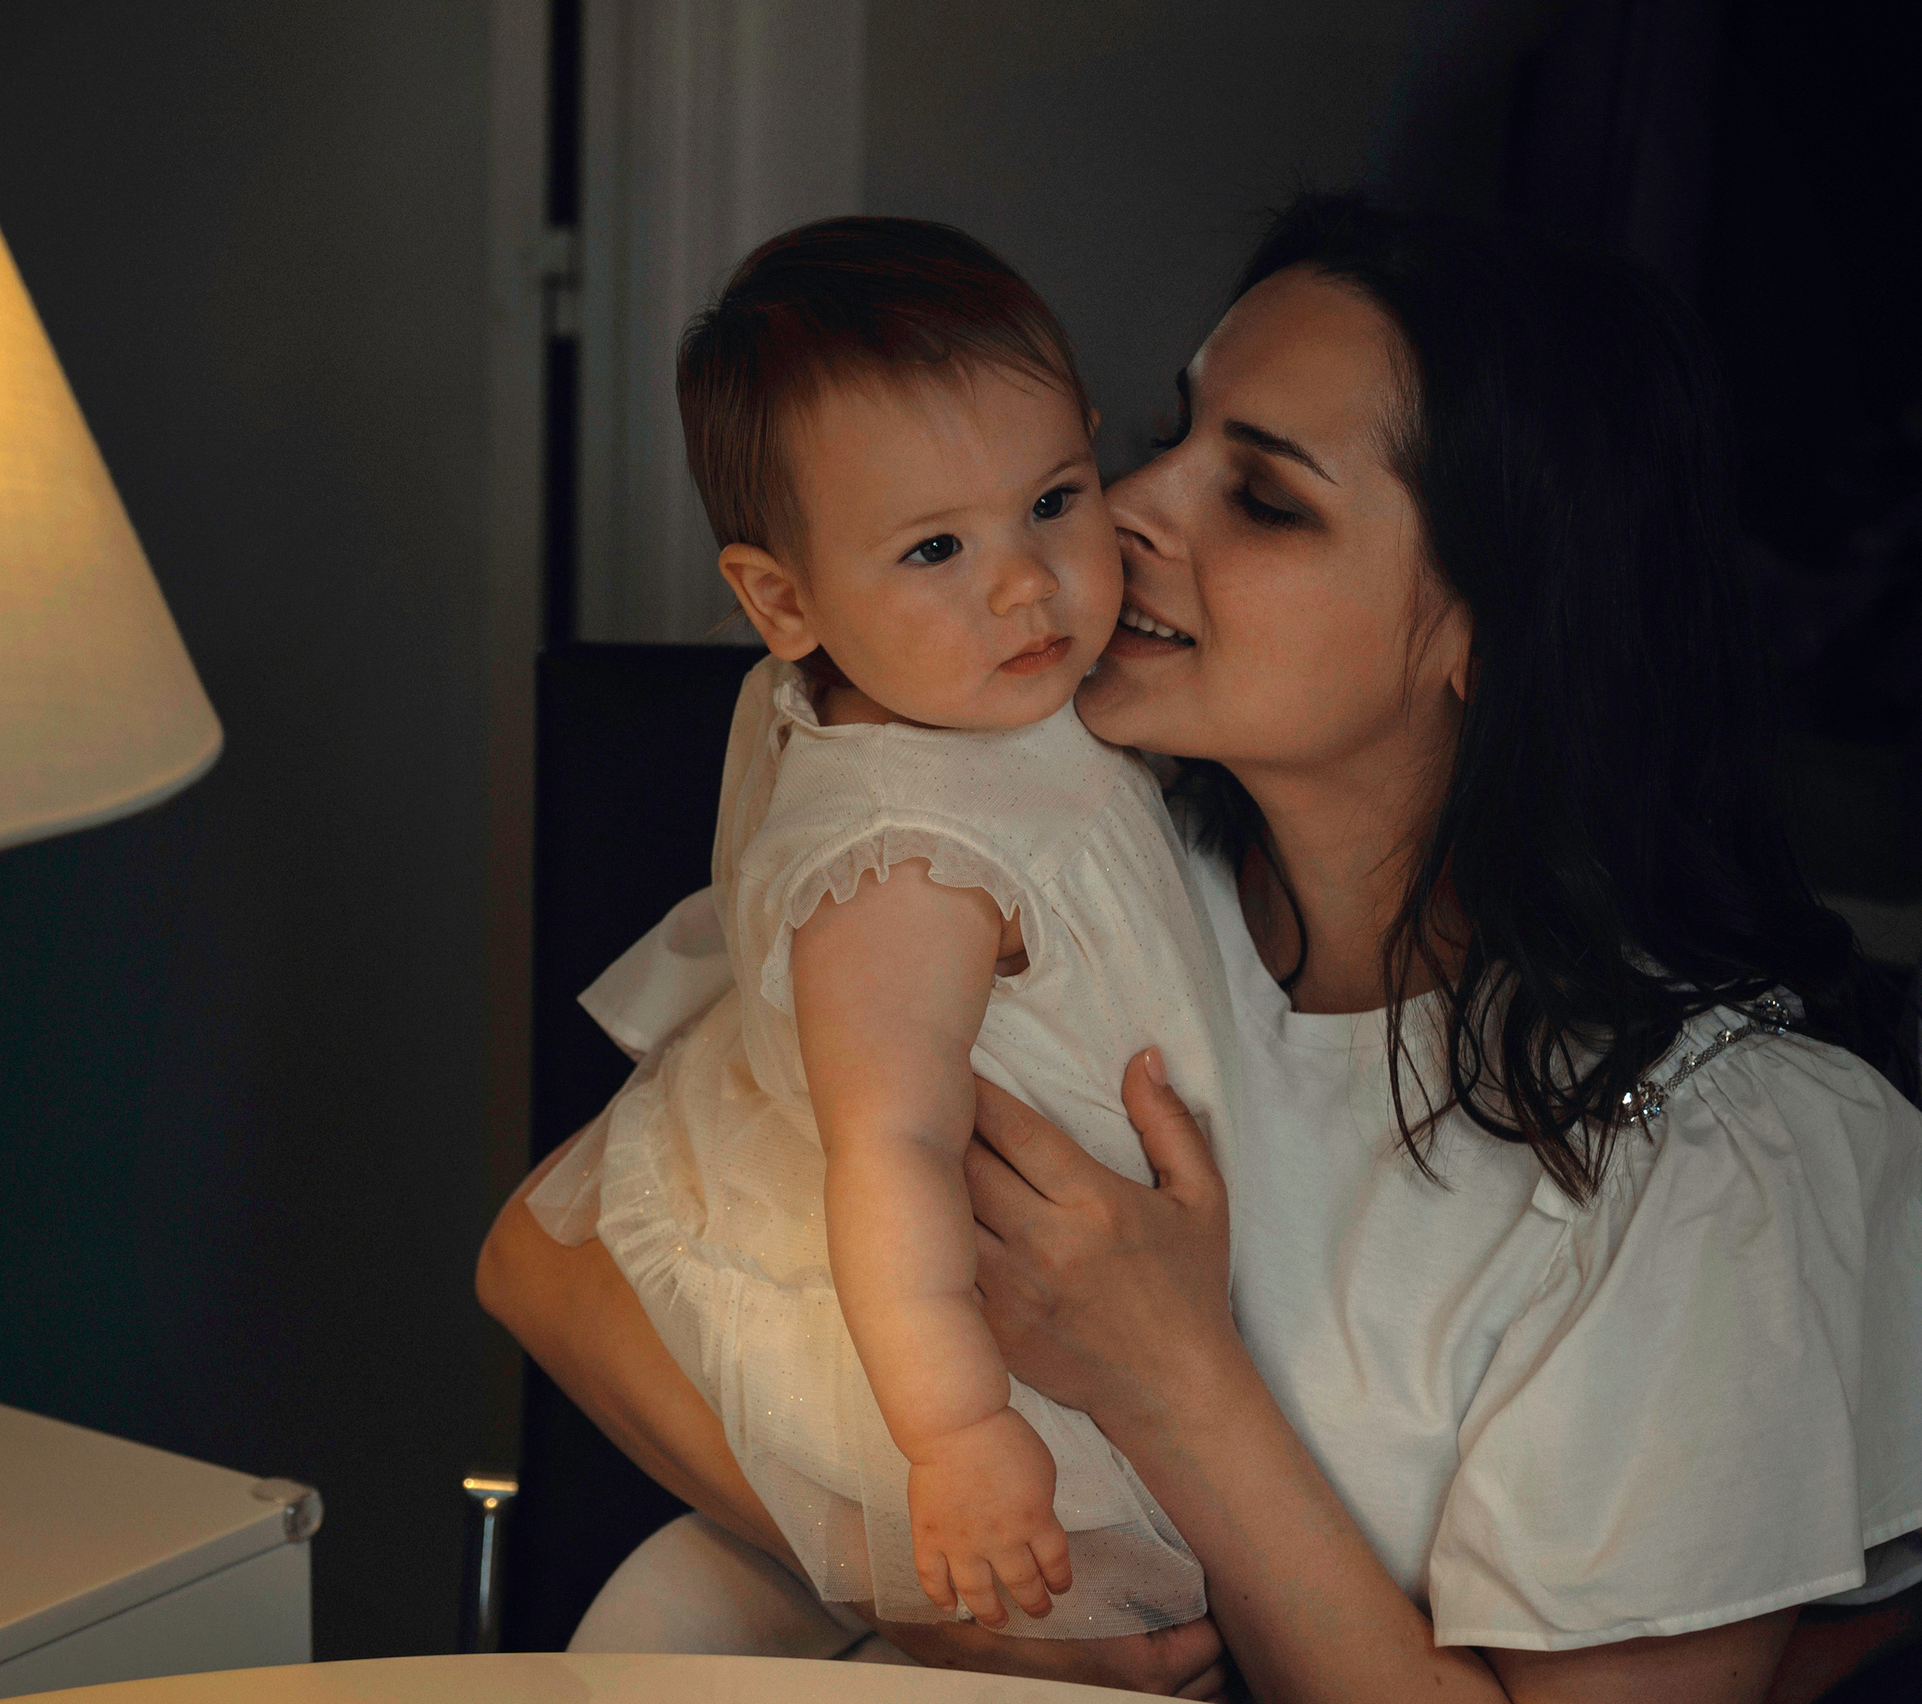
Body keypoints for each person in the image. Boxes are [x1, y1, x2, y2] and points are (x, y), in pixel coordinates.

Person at [482, 194, 1922, 1702]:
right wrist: (941, 1601)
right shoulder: (1059, 855)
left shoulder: (1708, 1165)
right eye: (1172, 432)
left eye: (1267, 498)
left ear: (1487, 633)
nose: (1127, 506)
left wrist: (1175, 1380)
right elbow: (547, 1258)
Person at [525, 217, 1237, 1638]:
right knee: (1047, 1613)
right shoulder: (906, 872)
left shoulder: (977, 693)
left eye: (1053, 500)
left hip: (1056, 1280)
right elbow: (893, 1147)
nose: (1024, 584)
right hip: (937, 1338)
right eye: (932, 548)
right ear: (783, 600)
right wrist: (961, 1433)